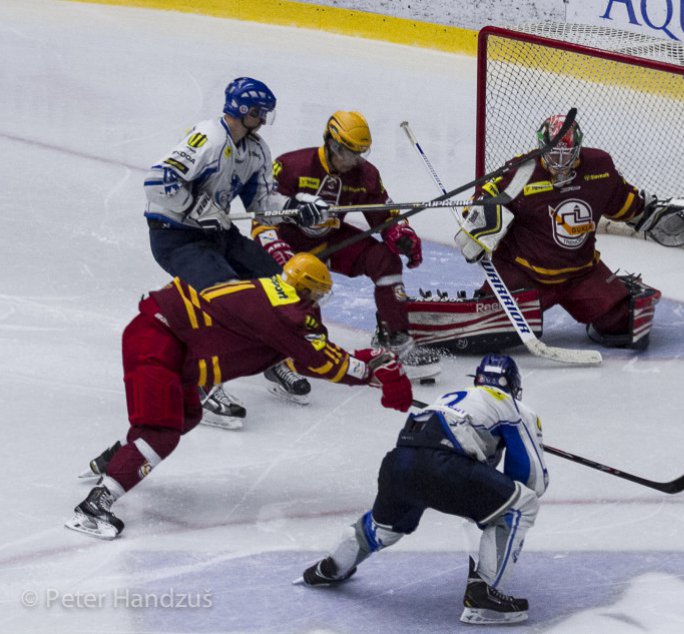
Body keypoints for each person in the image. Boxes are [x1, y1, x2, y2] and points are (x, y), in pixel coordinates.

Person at [66, 253, 413, 540]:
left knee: (186, 414)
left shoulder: (269, 288)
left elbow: (298, 354)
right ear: (307, 289)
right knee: (161, 432)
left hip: (171, 343)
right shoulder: (286, 311)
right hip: (158, 343)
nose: (319, 302)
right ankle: (93, 507)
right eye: (318, 294)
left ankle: (115, 462)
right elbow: (316, 358)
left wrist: (362, 363)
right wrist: (369, 372)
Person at [295, 354, 547, 625]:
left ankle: (329, 568)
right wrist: (500, 494)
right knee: (520, 505)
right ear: (513, 385)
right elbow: (530, 478)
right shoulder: (514, 408)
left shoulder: (451, 397)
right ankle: (483, 598)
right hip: (445, 467)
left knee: (383, 528)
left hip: (398, 464)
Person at [143, 76, 330, 426]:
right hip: (176, 236)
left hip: (217, 235)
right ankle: (201, 385)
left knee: (277, 285)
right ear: (244, 110)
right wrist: (194, 206)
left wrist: (296, 207)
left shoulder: (256, 150)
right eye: (260, 113)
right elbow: (157, 181)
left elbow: (262, 204)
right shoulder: (209, 138)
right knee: (226, 297)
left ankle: (273, 360)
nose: (264, 120)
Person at [454, 114, 684, 350]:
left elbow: (624, 201)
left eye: (566, 156)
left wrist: (651, 214)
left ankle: (620, 289)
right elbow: (480, 199)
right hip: (524, 273)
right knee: (488, 330)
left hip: (581, 273)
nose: (559, 164)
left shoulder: (600, 168)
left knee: (625, 325)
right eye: (553, 155)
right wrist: (479, 224)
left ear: (578, 149)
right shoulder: (521, 172)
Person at [252, 110, 440, 379]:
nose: (358, 160)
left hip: (330, 239)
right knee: (302, 305)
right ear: (333, 145)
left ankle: (394, 338)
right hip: (288, 245)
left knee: (384, 260)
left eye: (362, 153)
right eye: (352, 153)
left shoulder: (366, 175)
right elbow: (262, 212)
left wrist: (400, 233)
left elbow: (383, 213)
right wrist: (273, 247)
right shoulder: (291, 166)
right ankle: (281, 357)